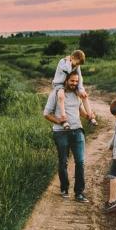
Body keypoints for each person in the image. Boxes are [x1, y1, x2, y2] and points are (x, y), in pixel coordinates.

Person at [43, 72, 89, 203]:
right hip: (61, 132)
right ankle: (64, 188)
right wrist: (61, 122)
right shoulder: (56, 93)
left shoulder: (77, 94)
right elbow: (46, 114)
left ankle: (79, 193)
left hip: (77, 131)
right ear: (66, 80)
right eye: (72, 81)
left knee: (80, 162)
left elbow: (80, 111)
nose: (74, 83)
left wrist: (89, 116)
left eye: (76, 81)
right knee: (63, 162)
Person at [50, 49, 97, 129]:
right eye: (76, 63)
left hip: (70, 83)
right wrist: (69, 61)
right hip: (59, 84)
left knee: (84, 96)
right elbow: (68, 70)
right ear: (72, 58)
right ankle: (64, 119)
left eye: (78, 64)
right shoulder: (63, 62)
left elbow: (80, 77)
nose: (76, 66)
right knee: (61, 96)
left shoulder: (76, 65)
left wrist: (81, 90)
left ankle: (91, 117)